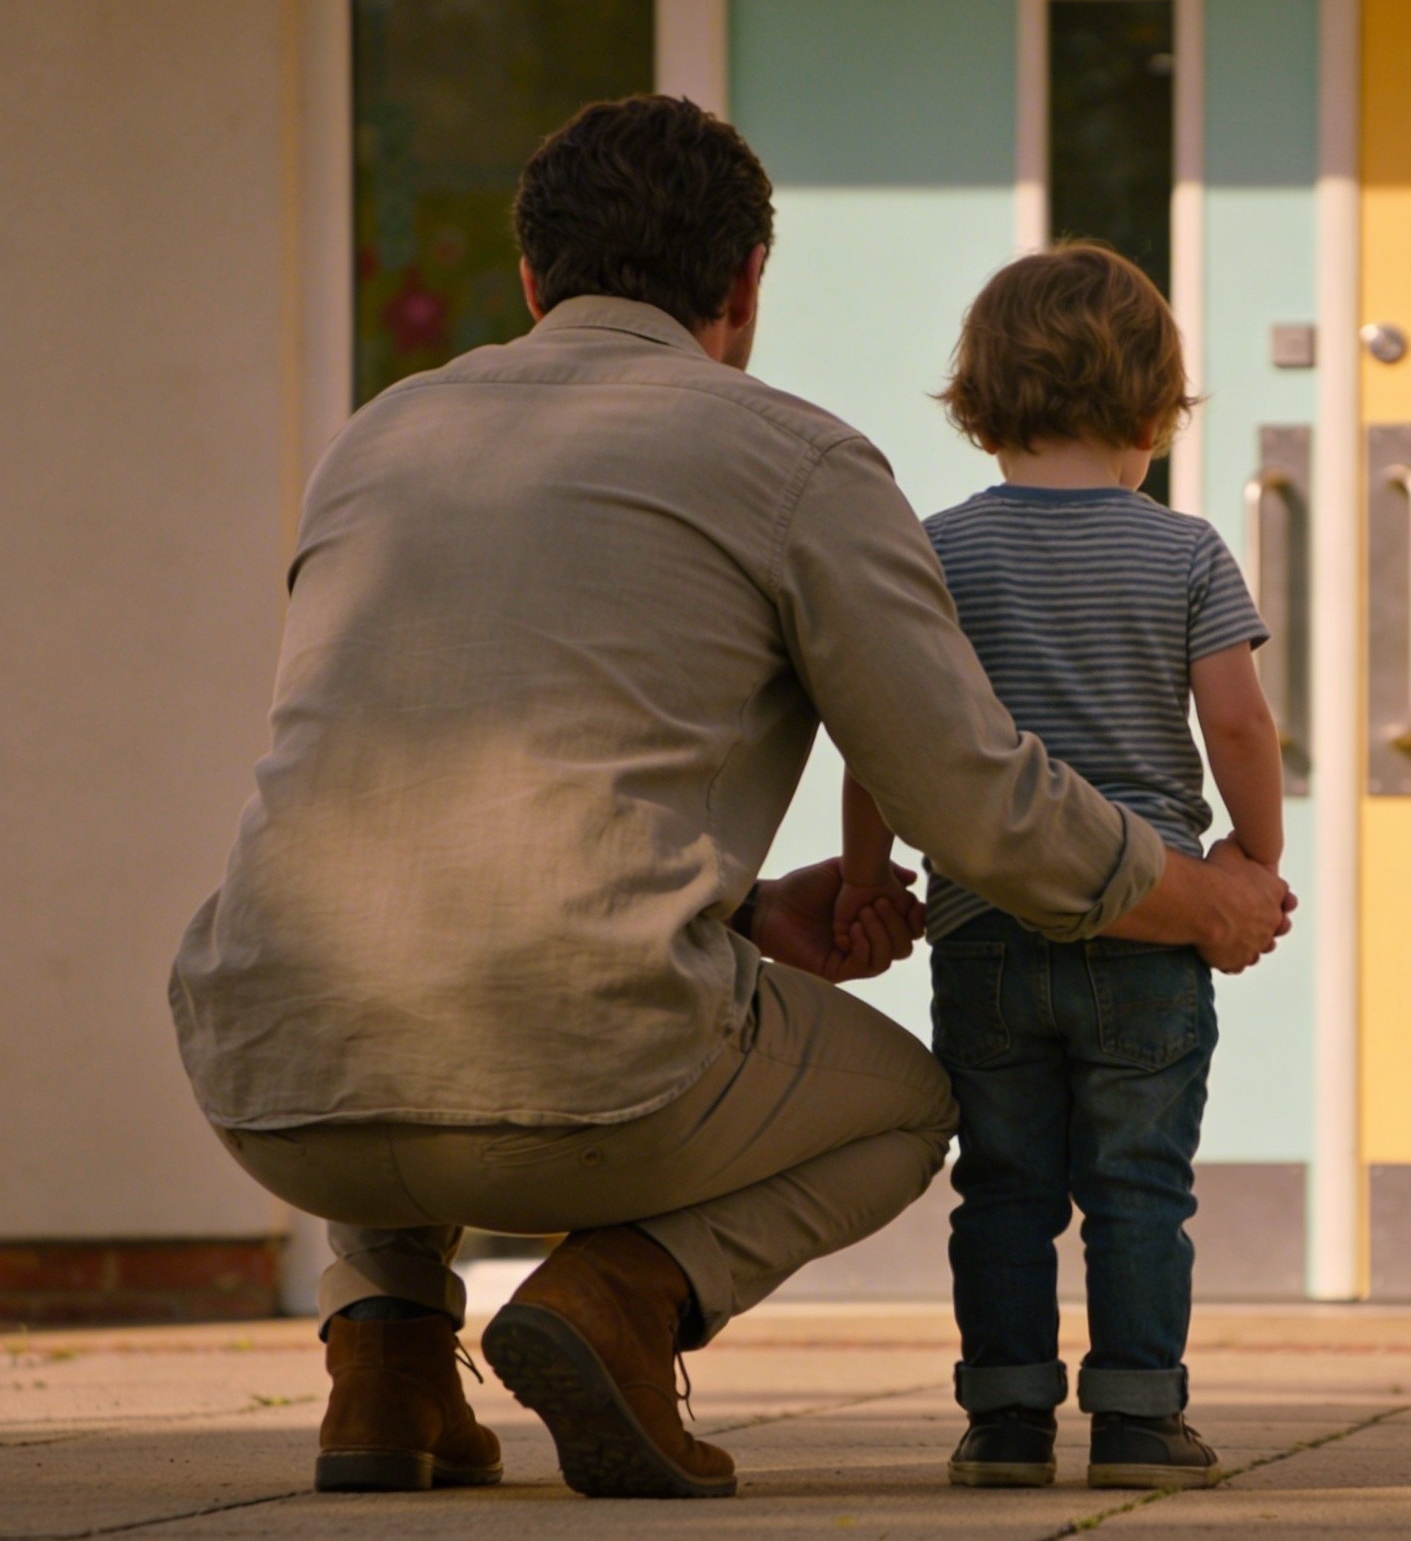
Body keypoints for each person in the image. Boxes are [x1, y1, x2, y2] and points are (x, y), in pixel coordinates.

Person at [166, 96, 1291, 1503]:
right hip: (581, 1083)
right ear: (745, 283)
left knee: (395, 923)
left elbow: (425, 792)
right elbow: (975, 795)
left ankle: (383, 1359)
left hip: (272, 1073)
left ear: (533, 280)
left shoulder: (379, 443)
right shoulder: (795, 462)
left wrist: (748, 907)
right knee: (912, 1107)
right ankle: (623, 1296)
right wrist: (1207, 893)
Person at [835, 244, 1285, 1492]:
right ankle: (1139, 1417)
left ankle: (1005, 1423)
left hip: (983, 927)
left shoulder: (936, 553)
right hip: (1146, 928)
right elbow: (1239, 721)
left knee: (1004, 1187)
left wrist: (875, 873)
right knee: (1141, 1181)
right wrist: (1256, 847)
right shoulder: (1185, 552)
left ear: (978, 402)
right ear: (1153, 409)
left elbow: (885, 731)